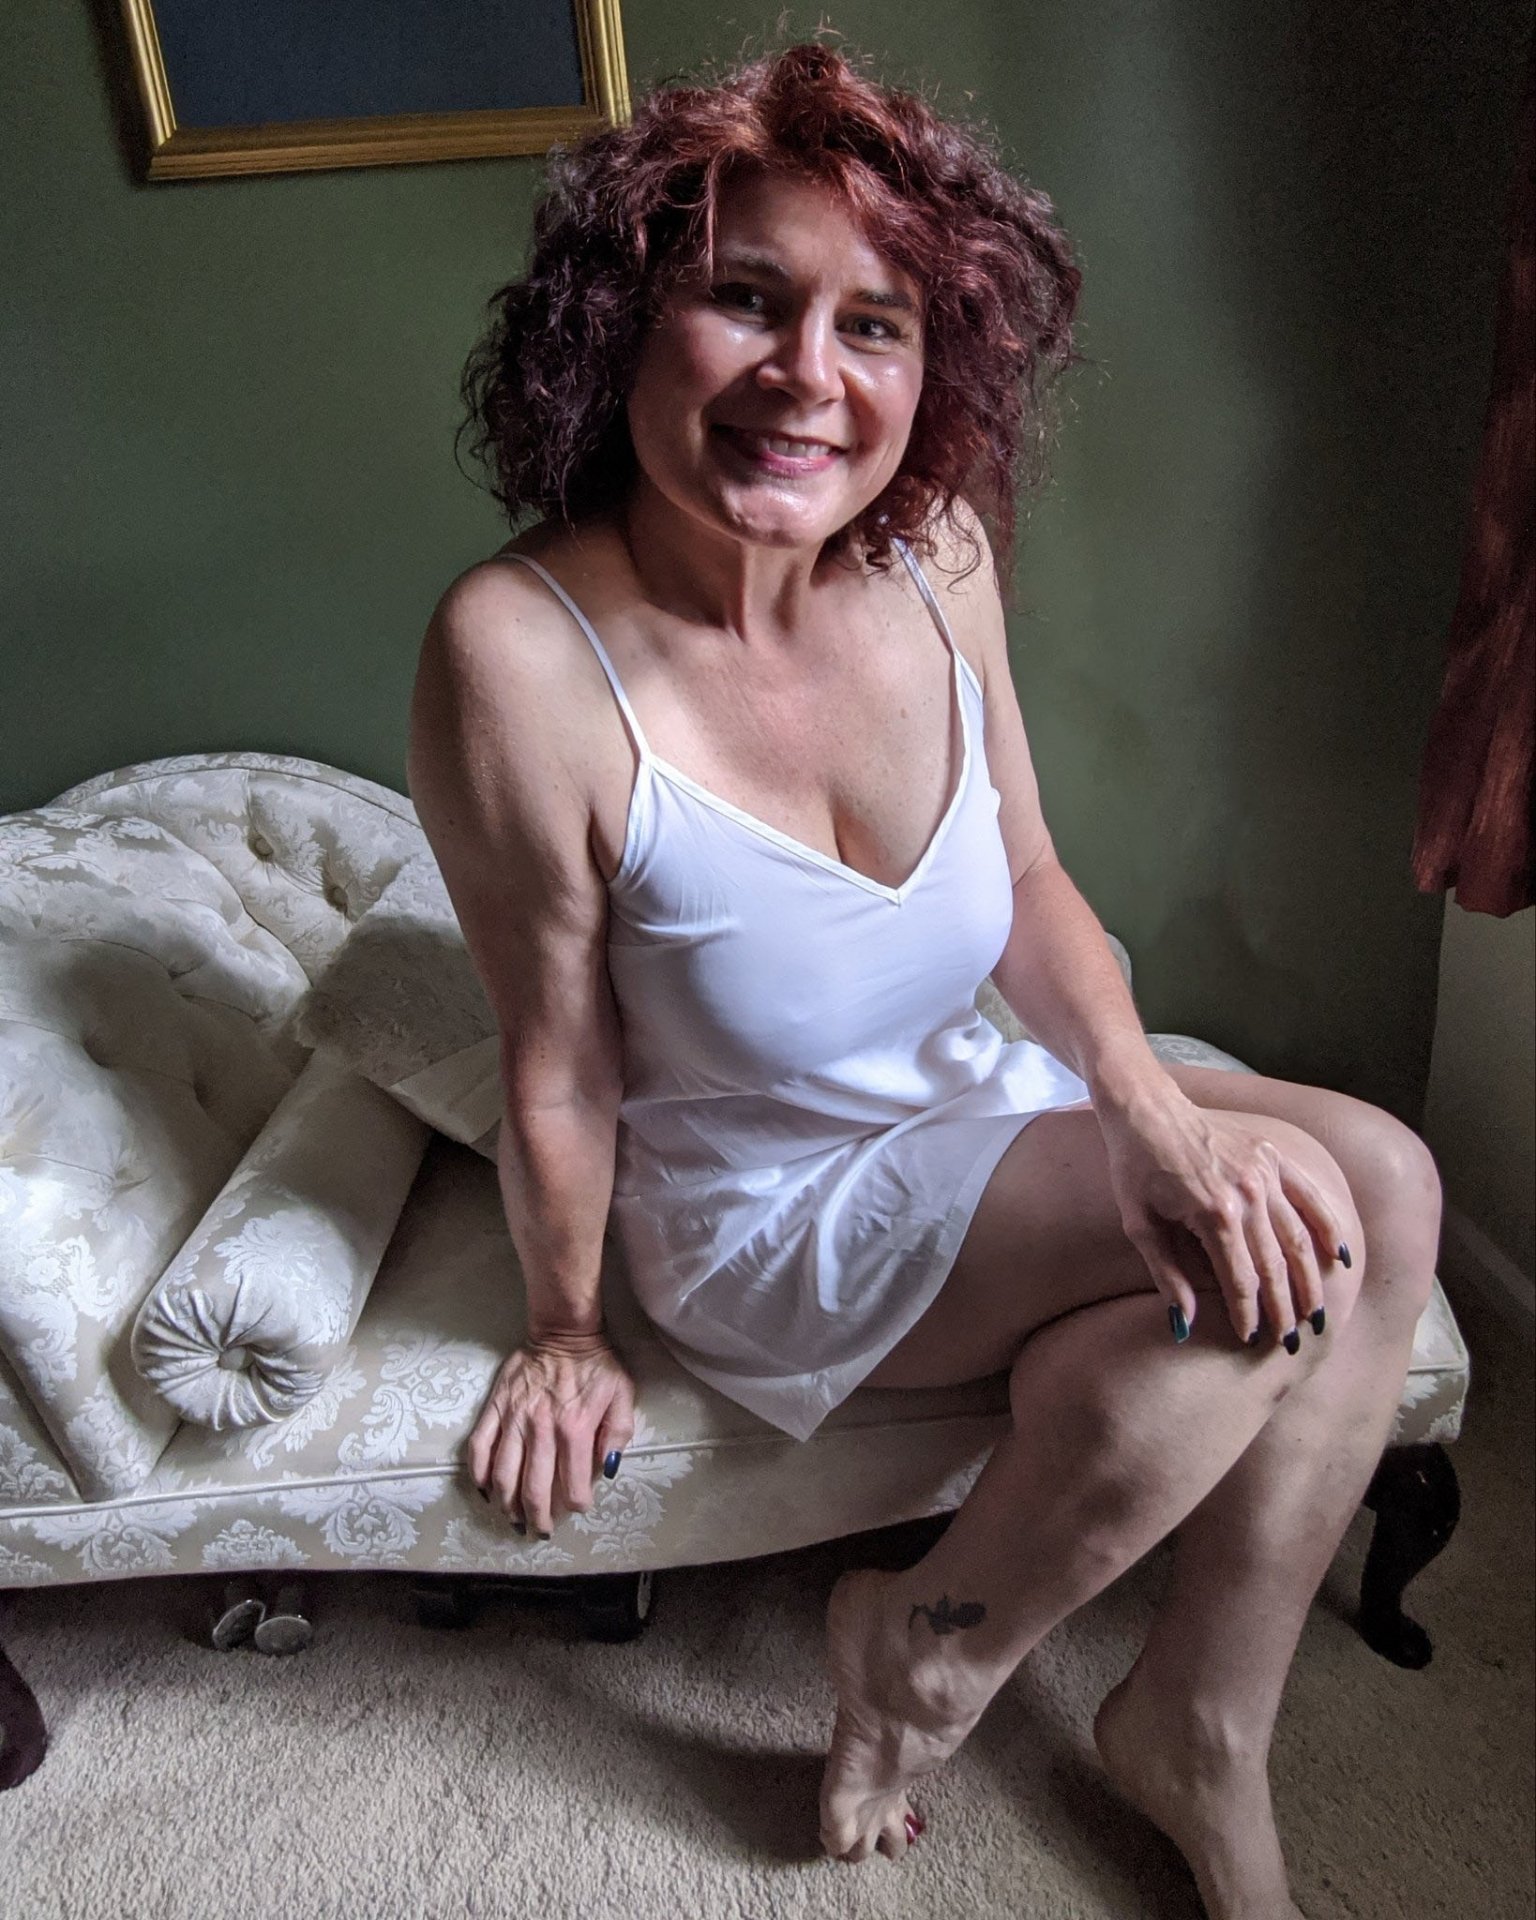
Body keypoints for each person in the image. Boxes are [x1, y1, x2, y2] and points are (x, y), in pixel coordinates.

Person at [406, 42, 1443, 1918]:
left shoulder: (937, 549)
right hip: (767, 1207)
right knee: (1300, 1216)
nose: (810, 375)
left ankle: (1198, 1720)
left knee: (1385, 1175)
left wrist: (1142, 1103)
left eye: (872, 324)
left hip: (969, 1105)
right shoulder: (517, 654)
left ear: (927, 366)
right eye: (746, 299)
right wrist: (566, 1325)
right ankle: (926, 1661)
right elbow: (556, 1057)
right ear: (618, 325)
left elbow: (1027, 876)